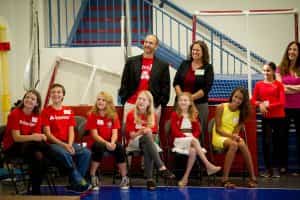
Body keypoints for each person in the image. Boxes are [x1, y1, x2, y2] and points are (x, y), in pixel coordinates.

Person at [2, 89, 58, 194]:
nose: (29, 100)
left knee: (39, 157)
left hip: (30, 146)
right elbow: (16, 138)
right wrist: (36, 137)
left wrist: (40, 137)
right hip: (13, 147)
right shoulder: (15, 114)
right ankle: (54, 157)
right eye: (27, 97)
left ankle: (35, 190)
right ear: (23, 100)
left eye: (32, 99)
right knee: (38, 151)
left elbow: (36, 139)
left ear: (37, 103)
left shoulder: (37, 116)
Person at [41, 83, 91, 192]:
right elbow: (48, 134)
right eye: (53, 92)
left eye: (59, 92)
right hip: (52, 145)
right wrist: (64, 146)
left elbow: (71, 131)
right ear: (50, 95)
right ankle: (80, 180)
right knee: (64, 153)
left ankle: (74, 184)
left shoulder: (69, 110)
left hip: (67, 143)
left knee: (86, 153)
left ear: (63, 95)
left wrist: (69, 144)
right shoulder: (45, 112)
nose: (56, 94)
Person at [125, 90, 175, 190]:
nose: (141, 101)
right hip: (133, 142)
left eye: (144, 99)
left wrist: (148, 133)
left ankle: (150, 180)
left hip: (147, 142)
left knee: (148, 145)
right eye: (139, 99)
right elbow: (131, 136)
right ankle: (160, 168)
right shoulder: (131, 114)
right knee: (147, 140)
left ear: (149, 103)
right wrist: (142, 131)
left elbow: (153, 138)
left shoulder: (153, 116)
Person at [170, 92, 221, 187]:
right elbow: (174, 130)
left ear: (190, 102)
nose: (183, 102)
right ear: (178, 102)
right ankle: (208, 165)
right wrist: (187, 138)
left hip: (192, 140)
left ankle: (185, 178)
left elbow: (198, 130)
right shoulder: (174, 114)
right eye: (181, 100)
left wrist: (192, 136)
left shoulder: (193, 115)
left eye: (185, 100)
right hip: (179, 140)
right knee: (194, 141)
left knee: (193, 151)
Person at [118, 34, 170, 122]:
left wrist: (159, 103)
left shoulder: (163, 66)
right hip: (132, 103)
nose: (147, 45)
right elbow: (124, 82)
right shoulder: (131, 62)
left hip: (152, 106)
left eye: (151, 43)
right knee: (128, 133)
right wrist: (125, 99)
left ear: (156, 46)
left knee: (151, 134)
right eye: (146, 42)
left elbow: (165, 87)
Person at [212, 87, 257, 188]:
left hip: (230, 137)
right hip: (219, 136)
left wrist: (235, 137)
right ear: (232, 96)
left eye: (240, 99)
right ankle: (224, 180)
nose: (237, 100)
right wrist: (232, 137)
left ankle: (252, 177)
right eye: (235, 96)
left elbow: (236, 131)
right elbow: (218, 129)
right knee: (234, 144)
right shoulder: (221, 107)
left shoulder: (242, 113)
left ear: (243, 101)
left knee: (242, 143)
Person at [85, 91, 129, 190]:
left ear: (108, 103)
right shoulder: (92, 115)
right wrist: (106, 143)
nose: (100, 102)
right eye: (99, 99)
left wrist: (112, 143)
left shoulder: (113, 115)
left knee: (120, 147)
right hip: (96, 143)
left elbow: (115, 133)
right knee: (99, 146)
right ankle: (92, 176)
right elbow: (95, 135)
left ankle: (124, 178)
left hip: (109, 142)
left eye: (103, 100)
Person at [252, 62, 285, 178]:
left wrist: (267, 105)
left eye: (268, 70)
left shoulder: (279, 85)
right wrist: (260, 104)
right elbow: (253, 100)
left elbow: (281, 102)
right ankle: (267, 169)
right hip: (266, 118)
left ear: (273, 72)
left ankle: (276, 168)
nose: (266, 73)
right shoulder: (258, 85)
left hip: (278, 117)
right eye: (264, 70)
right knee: (266, 143)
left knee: (277, 143)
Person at [173, 40, 214, 136]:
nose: (195, 52)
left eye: (198, 50)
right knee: (179, 129)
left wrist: (189, 99)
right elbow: (176, 82)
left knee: (198, 131)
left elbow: (206, 88)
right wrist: (183, 99)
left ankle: (197, 149)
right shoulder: (184, 64)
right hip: (181, 103)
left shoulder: (208, 67)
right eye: (193, 50)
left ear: (203, 52)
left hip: (200, 104)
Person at [276, 41, 300, 175]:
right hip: (284, 107)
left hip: (299, 107)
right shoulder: (280, 69)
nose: (292, 52)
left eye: (295, 50)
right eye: (290, 49)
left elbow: (284, 88)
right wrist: (297, 88)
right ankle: (283, 166)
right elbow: (280, 88)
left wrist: (287, 88)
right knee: (282, 137)